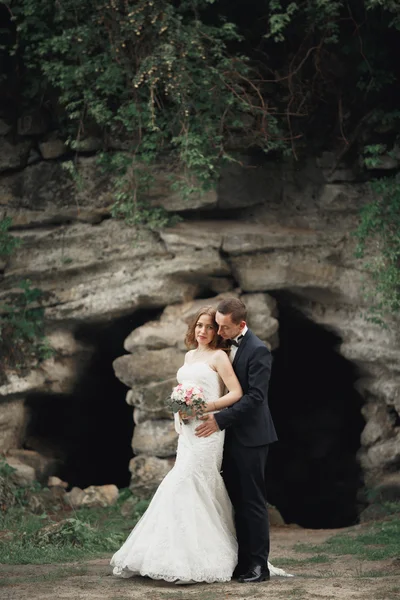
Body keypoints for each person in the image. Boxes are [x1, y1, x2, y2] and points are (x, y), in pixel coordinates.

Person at [110, 306, 244, 583]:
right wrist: (180, 408)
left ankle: (199, 557)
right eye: (199, 326)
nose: (203, 331)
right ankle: (169, 553)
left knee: (186, 481)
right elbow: (184, 391)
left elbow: (236, 392)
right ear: (193, 328)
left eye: (209, 327)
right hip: (188, 430)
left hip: (208, 428)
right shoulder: (189, 355)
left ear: (217, 331)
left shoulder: (220, 356)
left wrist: (208, 407)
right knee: (185, 482)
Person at [196, 297, 278, 583]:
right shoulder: (223, 346)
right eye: (216, 326)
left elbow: (256, 398)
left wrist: (219, 420)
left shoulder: (258, 351)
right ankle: (241, 562)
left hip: (252, 437)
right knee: (235, 502)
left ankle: (259, 567)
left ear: (241, 324)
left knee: (252, 502)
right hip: (226, 439)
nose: (219, 332)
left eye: (224, 328)